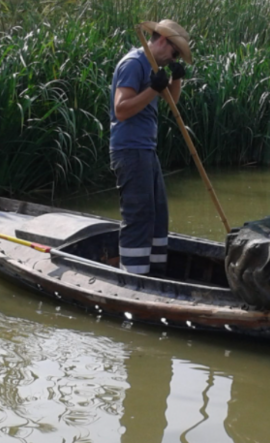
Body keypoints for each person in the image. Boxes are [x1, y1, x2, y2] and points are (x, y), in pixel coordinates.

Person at [109, 20, 192, 275]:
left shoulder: (154, 66)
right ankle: (134, 278)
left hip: (146, 150)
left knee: (157, 216)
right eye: (174, 52)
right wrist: (154, 89)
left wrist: (174, 80)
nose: (173, 57)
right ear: (162, 41)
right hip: (130, 149)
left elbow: (172, 104)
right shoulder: (134, 63)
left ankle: (155, 273)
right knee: (139, 216)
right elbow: (121, 110)